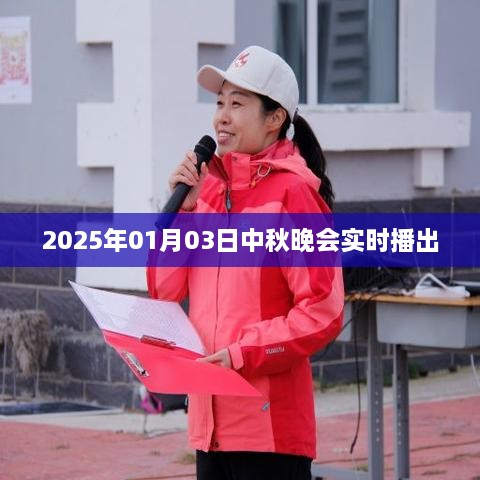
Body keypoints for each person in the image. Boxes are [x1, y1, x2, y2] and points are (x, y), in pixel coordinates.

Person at [147, 45, 344, 480]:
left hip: (270, 431)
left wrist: (242, 354)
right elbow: (165, 290)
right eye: (219, 103)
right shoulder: (207, 192)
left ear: (275, 119)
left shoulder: (294, 196)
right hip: (209, 426)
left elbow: (323, 311)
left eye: (237, 104)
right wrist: (184, 212)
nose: (222, 117)